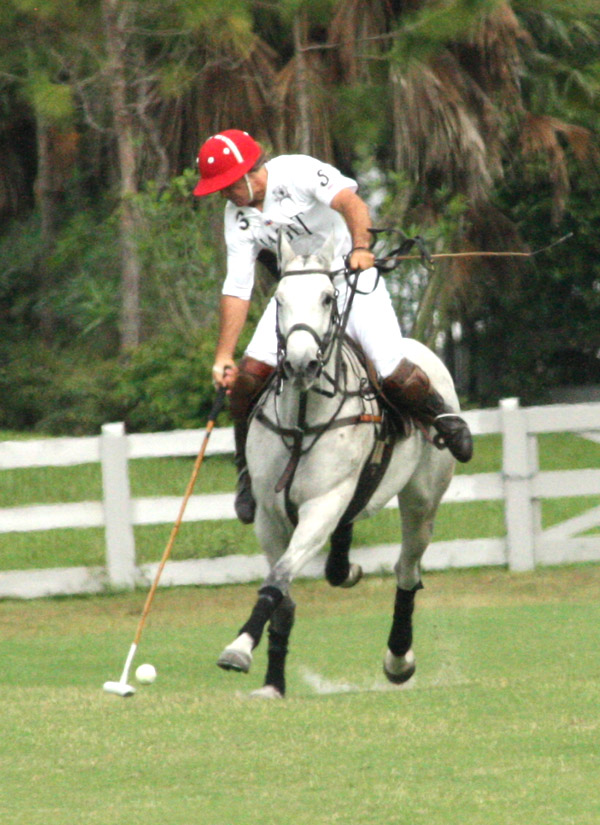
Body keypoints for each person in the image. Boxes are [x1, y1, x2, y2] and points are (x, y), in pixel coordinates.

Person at [193, 129, 472, 524]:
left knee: (392, 371)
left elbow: (350, 203)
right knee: (248, 379)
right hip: (296, 294)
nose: (224, 195)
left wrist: (361, 248)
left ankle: (441, 415)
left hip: (349, 281)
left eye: (226, 186)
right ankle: (246, 474)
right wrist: (223, 355)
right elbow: (237, 288)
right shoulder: (236, 216)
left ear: (249, 173)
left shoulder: (298, 172)